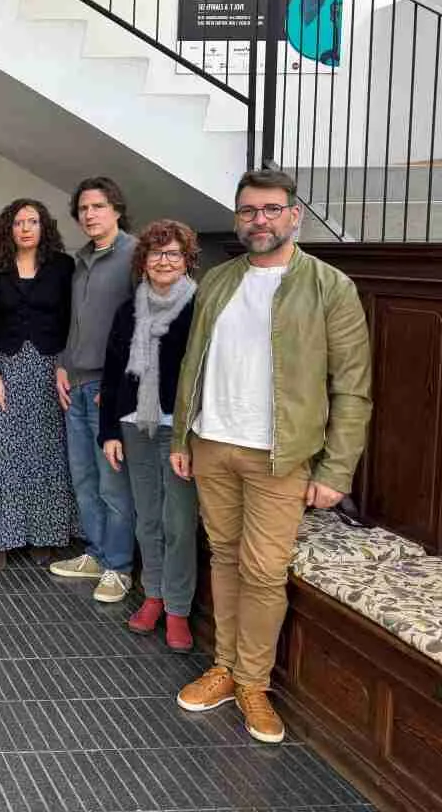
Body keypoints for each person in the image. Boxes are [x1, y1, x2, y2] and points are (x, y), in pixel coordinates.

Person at [171, 169, 371, 744]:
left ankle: (252, 682)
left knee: (263, 571)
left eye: (270, 209)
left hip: (279, 455)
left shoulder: (330, 287)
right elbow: (193, 364)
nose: (259, 220)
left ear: (293, 215)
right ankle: (225, 668)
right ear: (237, 218)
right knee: (225, 557)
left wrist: (336, 469)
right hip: (213, 443)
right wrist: (183, 437)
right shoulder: (218, 280)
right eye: (248, 210)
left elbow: (352, 388)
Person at [98, 220, 200, 651]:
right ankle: (153, 595)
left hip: (179, 429)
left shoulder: (200, 307)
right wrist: (108, 432)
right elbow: (112, 373)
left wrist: (194, 434)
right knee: (148, 518)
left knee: (179, 522)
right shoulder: (129, 310)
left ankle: (178, 609)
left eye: (173, 253)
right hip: (133, 424)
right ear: (143, 261)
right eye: (156, 253)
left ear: (187, 260)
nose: (164, 261)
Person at [49, 176, 138, 604]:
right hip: (76, 383)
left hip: (109, 387)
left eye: (98, 206)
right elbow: (75, 322)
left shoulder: (135, 255)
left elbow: (143, 326)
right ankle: (98, 554)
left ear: (116, 209)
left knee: (113, 483)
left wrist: (121, 387)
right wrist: (62, 365)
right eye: (83, 208)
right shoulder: (81, 259)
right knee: (84, 477)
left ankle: (119, 567)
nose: (89, 215)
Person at [0, 199, 75, 572]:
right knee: (2, 451)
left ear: (43, 226)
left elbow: (71, 319)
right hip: (6, 366)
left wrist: (65, 364)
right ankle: (0, 537)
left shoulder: (62, 266)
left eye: (32, 221)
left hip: (52, 367)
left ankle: (45, 535)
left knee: (46, 450)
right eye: (18, 222)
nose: (25, 228)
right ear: (9, 228)